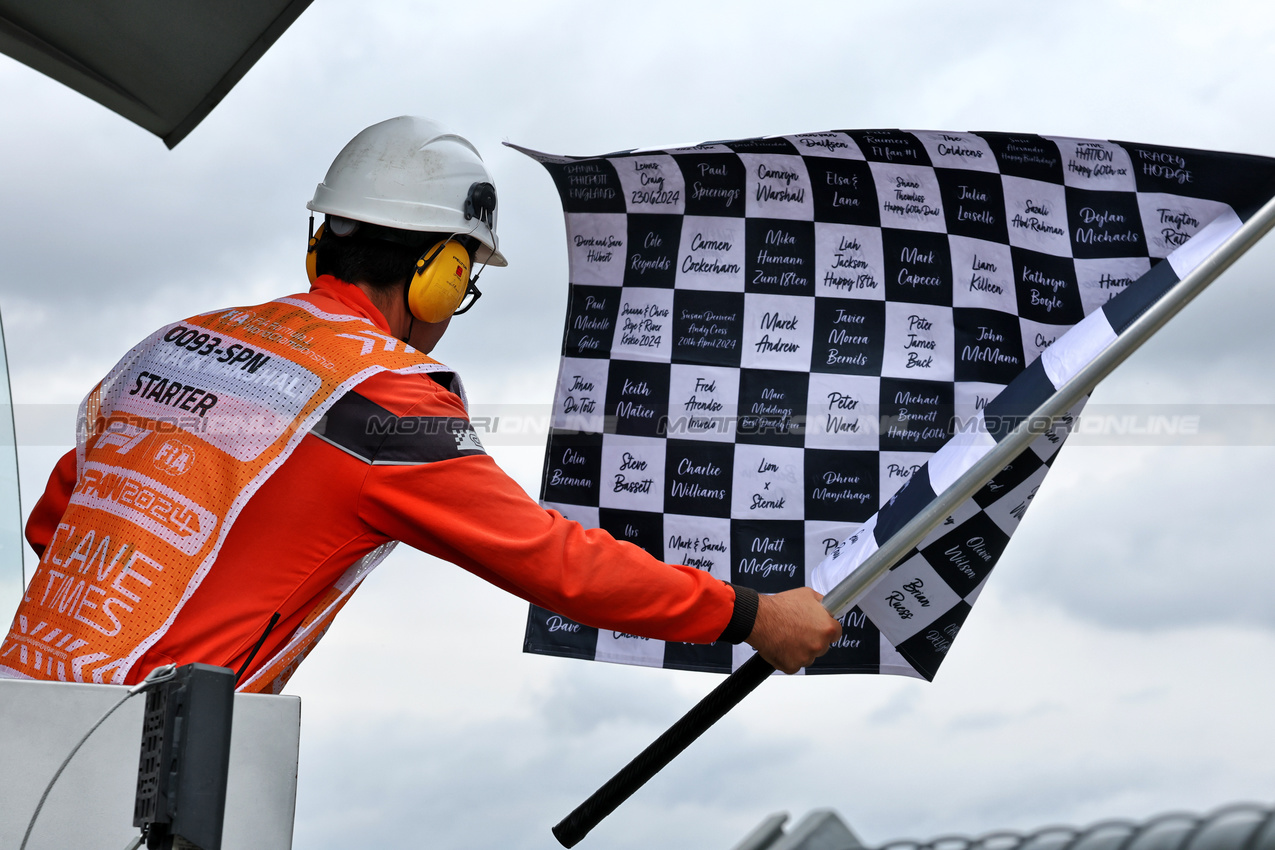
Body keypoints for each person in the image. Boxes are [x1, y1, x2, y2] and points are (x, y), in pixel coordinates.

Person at [0, 117, 839, 693]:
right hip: (134, 761)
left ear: (321, 240)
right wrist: (749, 614)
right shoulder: (382, 401)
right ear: (437, 274)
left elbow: (56, 523)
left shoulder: (172, 344)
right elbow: (557, 563)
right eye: (463, 280)